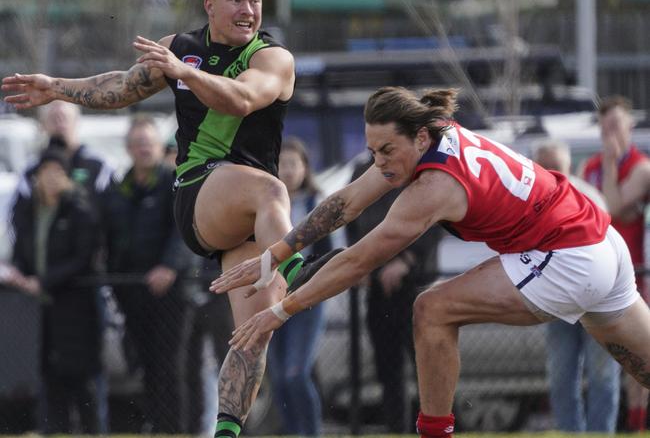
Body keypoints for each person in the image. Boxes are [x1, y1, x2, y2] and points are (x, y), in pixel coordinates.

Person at [212, 86, 650, 438]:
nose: (379, 163)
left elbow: (358, 261)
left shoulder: (433, 188)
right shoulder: (433, 128)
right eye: (373, 151)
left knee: (431, 310)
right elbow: (346, 202)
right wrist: (276, 254)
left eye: (386, 150)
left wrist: (281, 310)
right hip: (601, 243)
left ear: (419, 138)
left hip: (566, 256)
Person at [1, 0, 314, 435]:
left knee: (254, 334)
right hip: (200, 193)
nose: (248, 10)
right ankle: (298, 267)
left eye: (254, 0)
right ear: (210, 4)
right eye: (235, 0)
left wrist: (183, 73)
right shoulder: (180, 48)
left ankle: (227, 430)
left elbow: (243, 98)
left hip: (248, 215)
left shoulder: (273, 57)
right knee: (271, 188)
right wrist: (56, 87)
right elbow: (120, 88)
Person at [102, 115, 194, 433]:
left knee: (170, 364)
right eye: (138, 143)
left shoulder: (175, 182)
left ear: (158, 147)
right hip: (132, 291)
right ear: (129, 148)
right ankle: (155, 424)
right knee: (145, 364)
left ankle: (174, 429)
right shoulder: (119, 188)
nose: (144, 149)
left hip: (172, 292)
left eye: (149, 143)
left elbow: (185, 230)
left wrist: (169, 266)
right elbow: (110, 236)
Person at [4, 147, 103, 434]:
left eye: (57, 173)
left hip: (73, 304)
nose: (50, 179)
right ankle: (54, 429)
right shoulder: (29, 211)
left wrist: (45, 281)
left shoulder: (79, 209)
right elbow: (24, 249)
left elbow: (83, 257)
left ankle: (93, 429)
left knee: (80, 373)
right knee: (49, 373)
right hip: (39, 307)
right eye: (45, 173)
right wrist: (20, 274)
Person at [346, 151, 441, 433]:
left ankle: (439, 426)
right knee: (387, 368)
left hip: (417, 285)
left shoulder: (419, 168)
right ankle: (396, 429)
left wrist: (406, 261)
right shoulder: (363, 171)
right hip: (377, 286)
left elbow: (434, 223)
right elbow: (352, 220)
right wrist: (359, 266)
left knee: (426, 363)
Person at [532, 139, 620, 433]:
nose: (551, 173)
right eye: (545, 167)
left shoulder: (590, 197)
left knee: (603, 376)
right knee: (560, 377)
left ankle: (600, 434)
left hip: (598, 302)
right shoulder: (530, 202)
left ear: (569, 167)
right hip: (558, 304)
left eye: (556, 167)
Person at [581, 95, 650, 432]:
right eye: (605, 126)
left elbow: (612, 207)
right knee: (617, 357)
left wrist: (610, 164)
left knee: (640, 353)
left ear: (629, 126)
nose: (610, 132)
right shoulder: (589, 167)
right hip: (598, 274)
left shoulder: (639, 167)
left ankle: (637, 424)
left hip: (636, 275)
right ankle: (628, 423)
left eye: (616, 125)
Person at [266, 137, 332, 436]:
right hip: (271, 300)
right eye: (283, 164)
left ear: (305, 168)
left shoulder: (317, 205)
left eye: (294, 164)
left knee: (296, 373)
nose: (288, 170)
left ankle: (311, 432)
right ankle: (292, 431)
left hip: (306, 300)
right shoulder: (265, 205)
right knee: (277, 377)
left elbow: (332, 254)